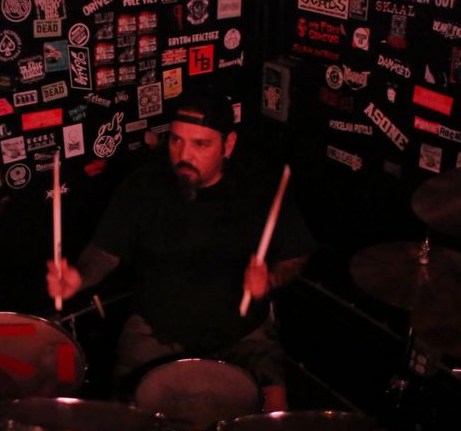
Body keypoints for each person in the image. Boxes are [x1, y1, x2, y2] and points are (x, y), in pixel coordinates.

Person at [47, 86, 314, 412]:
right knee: (127, 420)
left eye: (201, 144)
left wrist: (270, 279)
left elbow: (296, 255)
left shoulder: (259, 187)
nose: (185, 155)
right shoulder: (144, 185)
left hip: (244, 334)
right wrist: (78, 277)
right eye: (176, 140)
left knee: (273, 420)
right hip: (154, 331)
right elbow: (105, 251)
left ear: (228, 145)